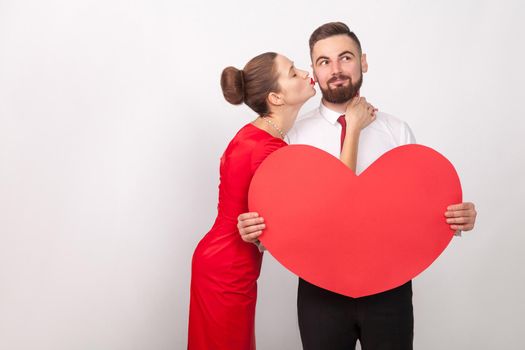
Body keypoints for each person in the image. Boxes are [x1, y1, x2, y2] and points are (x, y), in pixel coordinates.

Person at [237, 22, 478, 350]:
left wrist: (457, 216)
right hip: (319, 291)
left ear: (363, 62)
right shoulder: (293, 139)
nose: (335, 70)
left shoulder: (396, 131)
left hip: (389, 290)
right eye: (324, 62)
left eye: (345, 58)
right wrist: (255, 229)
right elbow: (286, 217)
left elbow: (420, 208)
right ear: (314, 72)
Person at [188, 51, 376, 350]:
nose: (305, 72)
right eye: (292, 73)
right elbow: (339, 197)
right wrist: (352, 126)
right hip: (228, 269)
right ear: (276, 98)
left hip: (222, 261)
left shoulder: (259, 136)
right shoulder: (268, 150)